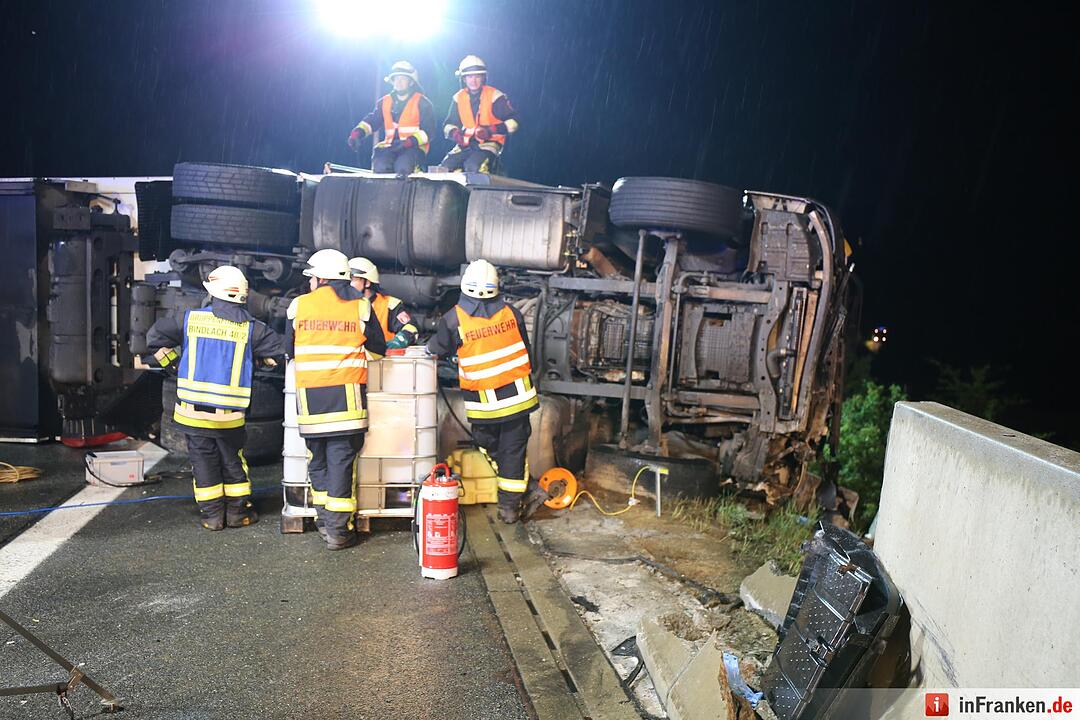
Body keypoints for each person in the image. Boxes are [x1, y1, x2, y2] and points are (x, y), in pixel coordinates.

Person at [142, 265, 285, 531]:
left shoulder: (190, 319)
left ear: (213, 292)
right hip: (229, 416)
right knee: (232, 461)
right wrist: (261, 362)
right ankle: (236, 513)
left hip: (192, 412)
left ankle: (211, 516)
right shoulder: (252, 329)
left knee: (203, 461)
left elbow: (153, 340)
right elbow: (280, 353)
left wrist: (173, 363)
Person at [285, 249, 387, 549]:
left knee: (318, 461)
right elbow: (379, 349)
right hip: (348, 403)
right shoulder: (361, 306)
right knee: (342, 464)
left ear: (319, 278)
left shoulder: (298, 306)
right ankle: (339, 532)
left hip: (311, 404)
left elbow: (289, 351)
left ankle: (323, 521)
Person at [426, 259, 538, 523]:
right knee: (512, 451)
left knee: (496, 448)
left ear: (464, 286)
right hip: (518, 398)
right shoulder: (512, 313)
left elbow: (435, 348)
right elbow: (528, 353)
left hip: (485, 405)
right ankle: (524, 494)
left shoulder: (454, 319)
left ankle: (512, 505)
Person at [347, 60, 437, 176]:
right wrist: (357, 134)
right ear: (392, 81)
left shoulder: (423, 103)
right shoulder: (385, 102)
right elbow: (372, 121)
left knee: (403, 168)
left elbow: (429, 131)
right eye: (396, 78)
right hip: (390, 147)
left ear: (411, 82)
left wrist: (409, 142)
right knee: (380, 167)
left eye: (403, 78)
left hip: (413, 148)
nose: (399, 82)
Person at [441, 55, 519, 174]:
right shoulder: (458, 97)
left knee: (473, 167)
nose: (473, 80)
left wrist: (490, 130)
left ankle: (494, 169)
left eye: (477, 76)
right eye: (470, 76)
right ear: (464, 78)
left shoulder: (495, 96)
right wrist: (455, 134)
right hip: (465, 145)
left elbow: (514, 122)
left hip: (489, 144)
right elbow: (448, 124)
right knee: (444, 168)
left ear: (483, 77)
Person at [348, 257, 418, 349]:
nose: (347, 284)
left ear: (367, 283)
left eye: (352, 279)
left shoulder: (389, 305)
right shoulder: (341, 304)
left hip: (382, 361)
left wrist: (399, 341)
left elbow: (410, 328)